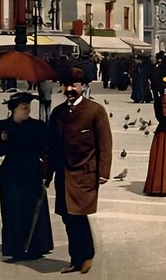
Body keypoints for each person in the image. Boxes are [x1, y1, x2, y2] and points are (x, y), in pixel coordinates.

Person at [43, 67, 112, 274]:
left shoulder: (95, 110)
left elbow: (105, 143)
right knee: (67, 216)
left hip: (85, 172)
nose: (70, 89)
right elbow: (51, 146)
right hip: (63, 174)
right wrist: (46, 174)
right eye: (66, 85)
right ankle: (76, 259)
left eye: (74, 85)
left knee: (78, 215)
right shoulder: (58, 112)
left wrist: (103, 172)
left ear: (83, 86)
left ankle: (86, 256)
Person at [0, 92, 54, 262]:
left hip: (32, 172)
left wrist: (46, 172)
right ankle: (15, 249)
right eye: (24, 107)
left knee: (33, 211)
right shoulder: (1, 127)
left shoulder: (37, 126)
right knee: (12, 212)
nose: (28, 110)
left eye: (29, 107)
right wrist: (1, 139)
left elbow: (46, 150)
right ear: (13, 110)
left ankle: (37, 247)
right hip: (11, 175)